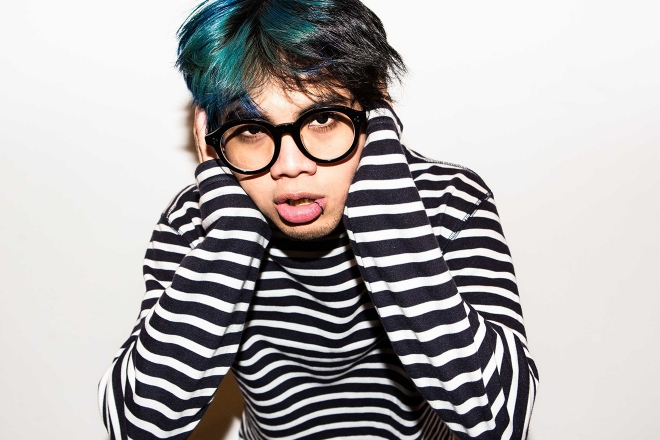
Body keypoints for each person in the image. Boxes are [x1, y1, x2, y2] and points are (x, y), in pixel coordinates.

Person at [98, 0, 538, 439]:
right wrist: (231, 238)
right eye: (251, 130)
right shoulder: (196, 225)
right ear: (213, 140)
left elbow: (501, 420)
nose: (290, 166)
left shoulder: (450, 201)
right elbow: (136, 427)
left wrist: (384, 210)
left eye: (323, 118)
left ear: (375, 112)